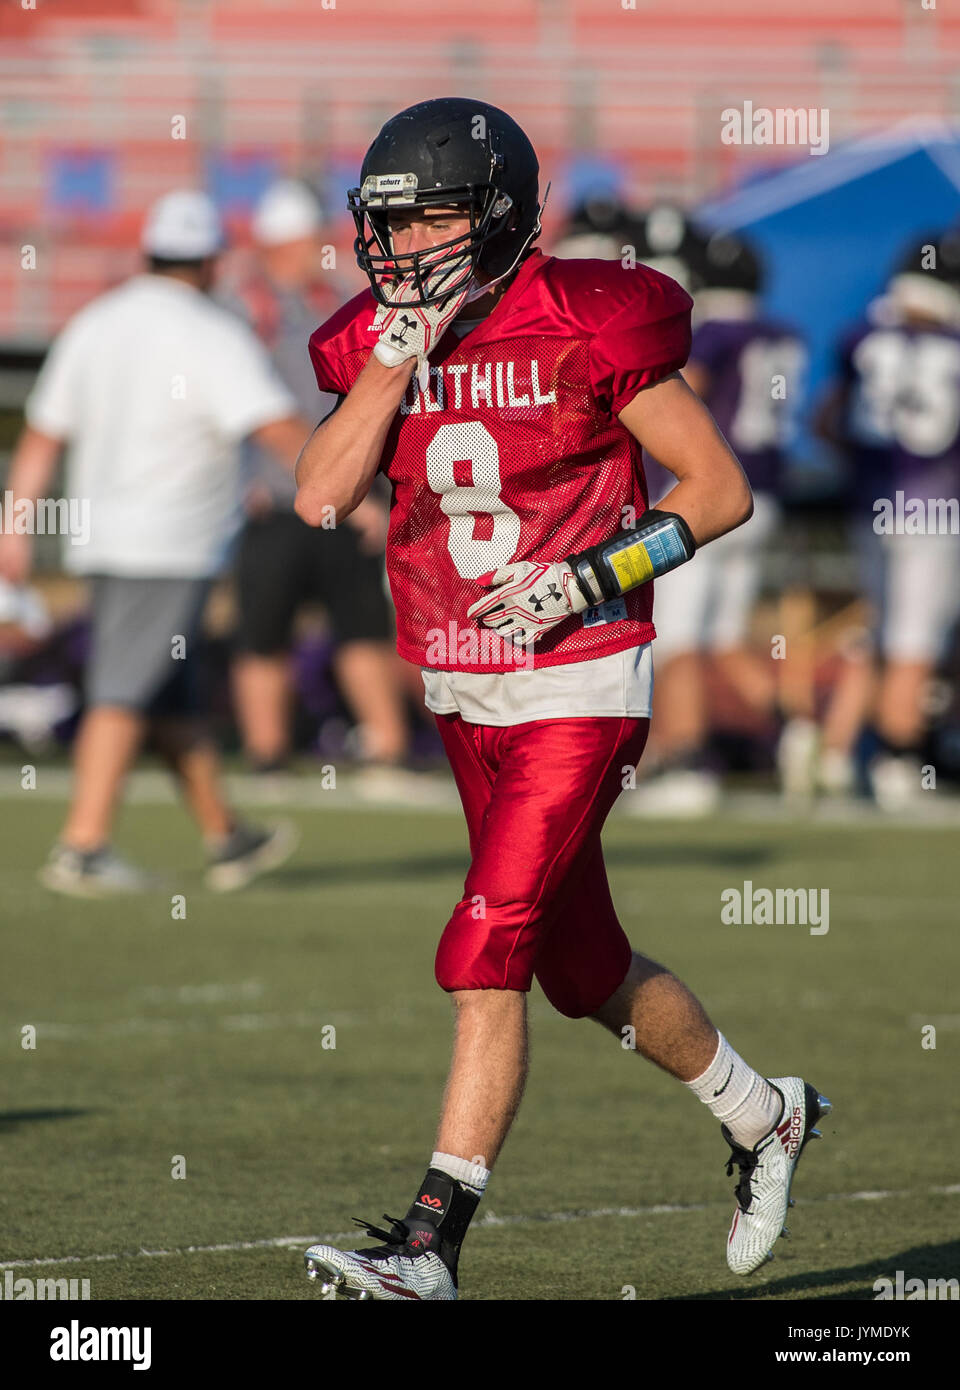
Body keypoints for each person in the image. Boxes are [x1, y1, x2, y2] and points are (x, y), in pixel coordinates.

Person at [293, 98, 829, 1300]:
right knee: (582, 967)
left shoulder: (586, 318)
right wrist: (391, 357)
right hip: (459, 680)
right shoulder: (380, 336)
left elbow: (720, 487)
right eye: (387, 223)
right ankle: (766, 1113)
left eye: (427, 215)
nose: (400, 246)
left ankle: (429, 1248)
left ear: (491, 215)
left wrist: (591, 573)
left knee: (484, 947)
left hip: (581, 676)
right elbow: (321, 494)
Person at [1, 190, 307, 895]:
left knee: (167, 695)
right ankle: (82, 845)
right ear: (208, 261)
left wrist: (15, 528)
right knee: (122, 691)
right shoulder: (210, 331)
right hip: (170, 544)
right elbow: (276, 429)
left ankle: (226, 835)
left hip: (103, 540)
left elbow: (43, 436)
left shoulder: (95, 322)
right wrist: (360, 495)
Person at [221, 179, 407, 775]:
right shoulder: (243, 308)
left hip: (345, 500)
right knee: (263, 630)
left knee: (361, 628)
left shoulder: (336, 299)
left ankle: (387, 747)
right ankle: (267, 753)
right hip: (273, 501)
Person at [632, 230, 808, 814]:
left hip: (709, 496)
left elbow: (684, 396)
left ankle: (686, 765)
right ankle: (796, 731)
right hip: (764, 499)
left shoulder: (713, 333)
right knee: (726, 638)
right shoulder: (783, 334)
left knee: (678, 639)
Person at [815, 231, 960, 809]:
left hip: (873, 505)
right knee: (915, 637)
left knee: (882, 628)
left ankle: (837, 751)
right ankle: (899, 759)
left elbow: (827, 422)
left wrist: (868, 468)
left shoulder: (863, 337)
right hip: (934, 509)